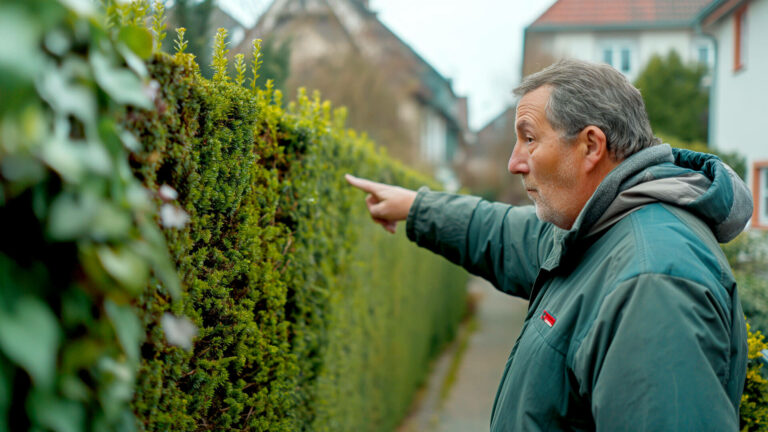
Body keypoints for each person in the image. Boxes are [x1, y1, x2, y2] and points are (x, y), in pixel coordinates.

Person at [345, 59, 754, 431]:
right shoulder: (601, 229)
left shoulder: (652, 284)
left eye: (529, 139)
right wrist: (417, 207)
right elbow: (505, 231)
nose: (514, 162)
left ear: (591, 146)